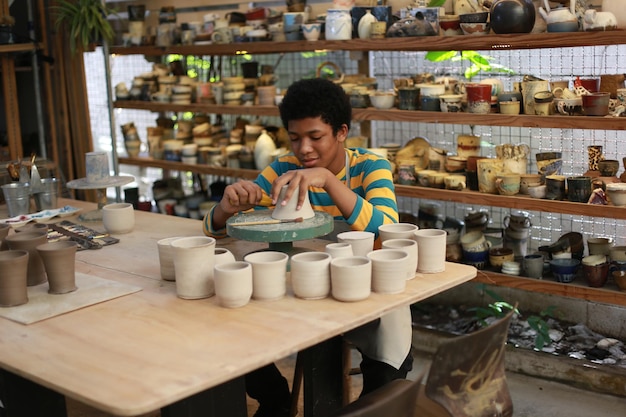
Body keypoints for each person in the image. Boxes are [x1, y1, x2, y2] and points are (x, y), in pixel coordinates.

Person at [203, 77, 413, 417]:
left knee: (390, 358)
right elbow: (215, 231)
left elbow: (386, 228)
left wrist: (328, 182)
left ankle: (375, 403)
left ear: (342, 132)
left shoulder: (370, 166)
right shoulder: (283, 169)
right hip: (303, 288)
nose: (304, 150)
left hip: (362, 287)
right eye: (295, 138)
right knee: (223, 314)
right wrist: (230, 205)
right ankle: (275, 399)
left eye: (315, 137)